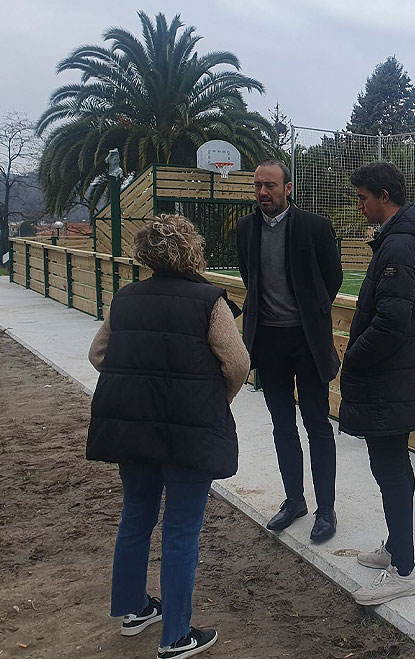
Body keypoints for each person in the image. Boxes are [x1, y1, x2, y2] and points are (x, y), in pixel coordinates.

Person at [87, 215, 250, 659]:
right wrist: (216, 399)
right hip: (189, 431)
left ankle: (134, 609)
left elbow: (98, 354)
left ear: (145, 253)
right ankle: (175, 636)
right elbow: (237, 363)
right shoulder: (209, 301)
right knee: (180, 529)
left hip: (134, 427)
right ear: (192, 250)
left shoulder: (125, 299)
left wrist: (139, 381)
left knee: (136, 515)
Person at [340, 162, 415, 606]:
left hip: (389, 378)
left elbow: (390, 324)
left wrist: (353, 357)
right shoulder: (398, 238)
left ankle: (404, 570)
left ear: (384, 196)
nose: (360, 205)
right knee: (390, 466)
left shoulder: (399, 245)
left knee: (391, 469)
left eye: (363, 197)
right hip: (393, 377)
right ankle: (396, 547)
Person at [236, 159, 344, 543]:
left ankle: (326, 509)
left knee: (317, 425)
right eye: (258, 186)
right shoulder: (245, 228)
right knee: (282, 425)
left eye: (270, 185)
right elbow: (250, 277)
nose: (263, 192)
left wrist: (312, 312)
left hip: (307, 343)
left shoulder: (315, 227)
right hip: (268, 343)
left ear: (288, 188)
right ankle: (295, 500)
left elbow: (333, 277)